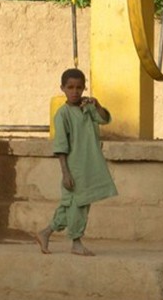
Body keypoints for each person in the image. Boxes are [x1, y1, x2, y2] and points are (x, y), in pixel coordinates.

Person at [34, 68, 117, 257]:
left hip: (90, 164)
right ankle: (76, 242)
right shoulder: (63, 115)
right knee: (78, 205)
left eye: (79, 87)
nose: (75, 92)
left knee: (71, 204)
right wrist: (65, 172)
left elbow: (104, 119)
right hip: (75, 167)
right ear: (62, 88)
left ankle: (45, 232)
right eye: (70, 87)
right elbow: (61, 147)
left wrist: (97, 104)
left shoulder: (87, 108)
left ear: (84, 88)